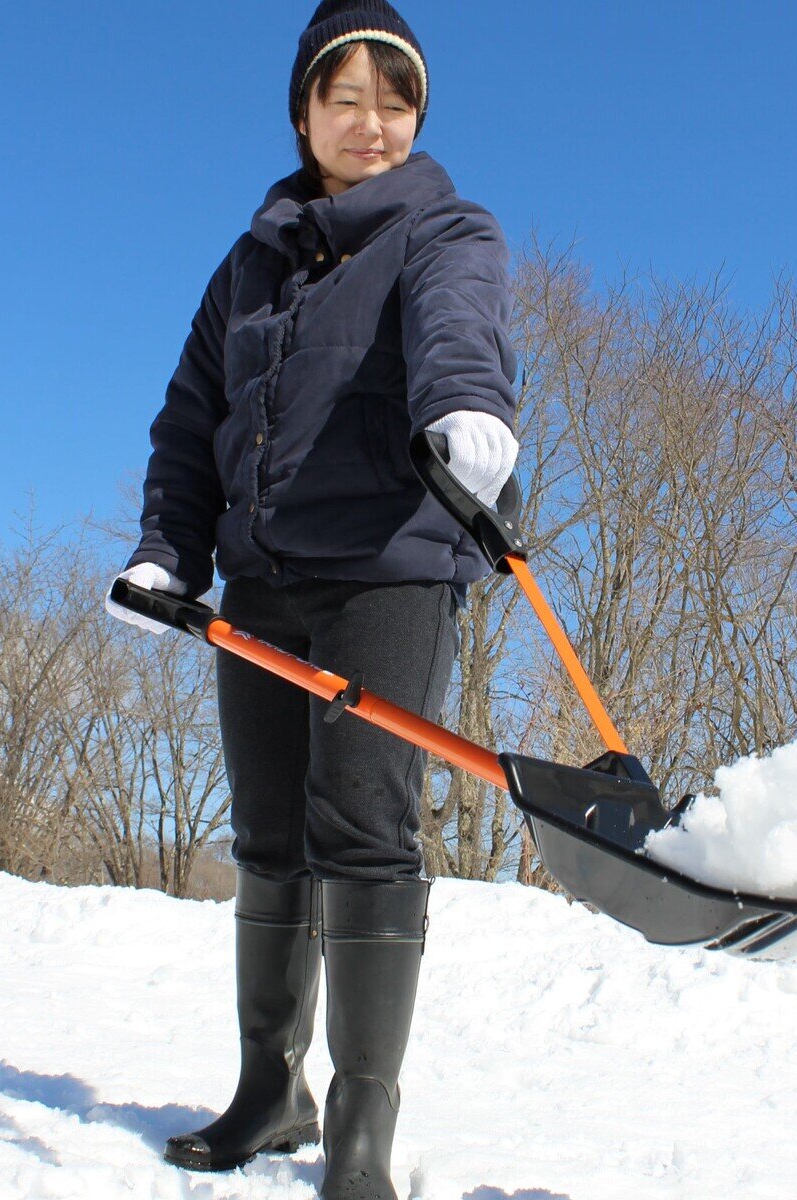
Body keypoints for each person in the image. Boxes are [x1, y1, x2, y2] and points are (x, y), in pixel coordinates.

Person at [104, 3, 518, 1197]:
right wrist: (165, 554)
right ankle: (268, 1090)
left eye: (397, 101)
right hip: (259, 583)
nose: (372, 122)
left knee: (364, 832)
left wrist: (468, 414)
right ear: (303, 112)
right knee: (269, 837)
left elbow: (461, 335)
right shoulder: (248, 267)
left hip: (388, 566)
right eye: (347, 96)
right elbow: (192, 424)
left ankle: (361, 1129)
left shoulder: (446, 228)